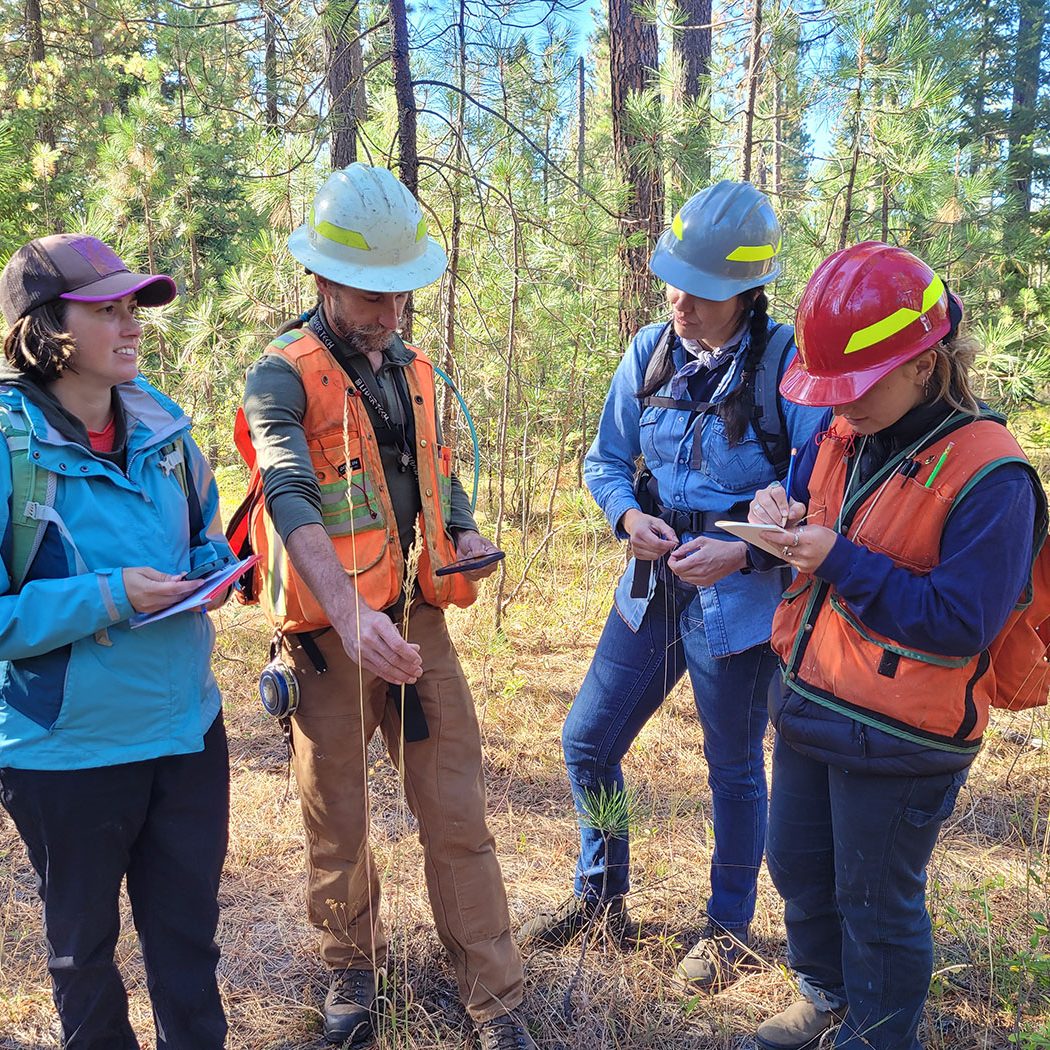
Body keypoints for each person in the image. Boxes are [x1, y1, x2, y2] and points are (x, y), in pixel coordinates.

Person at [239, 163, 530, 1049]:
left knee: (455, 812)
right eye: (370, 293)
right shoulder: (279, 377)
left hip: (416, 630)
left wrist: (467, 536)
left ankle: (496, 997)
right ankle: (350, 975)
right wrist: (348, 612)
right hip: (331, 641)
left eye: (400, 294)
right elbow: (286, 491)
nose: (387, 312)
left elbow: (440, 481)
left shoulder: (418, 372)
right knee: (337, 816)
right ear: (322, 277)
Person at [518, 181, 824, 990]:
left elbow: (821, 502)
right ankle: (602, 893)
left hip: (743, 604)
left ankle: (728, 930)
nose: (682, 300)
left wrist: (745, 554)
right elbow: (604, 460)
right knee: (589, 742)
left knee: (732, 768)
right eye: (674, 280)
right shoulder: (649, 351)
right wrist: (627, 520)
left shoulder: (787, 369)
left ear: (748, 290)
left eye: (704, 289)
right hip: (652, 588)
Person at [746, 241, 1046, 1050]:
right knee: (800, 871)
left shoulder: (995, 476)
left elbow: (961, 623)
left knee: (876, 901)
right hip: (813, 701)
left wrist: (838, 560)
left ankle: (879, 1035)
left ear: (925, 362)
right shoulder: (844, 432)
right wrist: (774, 512)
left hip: (905, 737)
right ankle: (824, 993)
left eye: (858, 386)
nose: (840, 407)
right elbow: (807, 500)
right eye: (831, 391)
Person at [0, 234, 235, 1048]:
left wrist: (213, 568)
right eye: (108, 309)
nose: (132, 324)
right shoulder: (8, 448)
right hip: (66, 754)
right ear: (44, 327)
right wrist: (107, 597)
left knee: (187, 947)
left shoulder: (162, 425)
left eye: (135, 307)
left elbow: (203, 530)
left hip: (185, 733)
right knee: (82, 956)